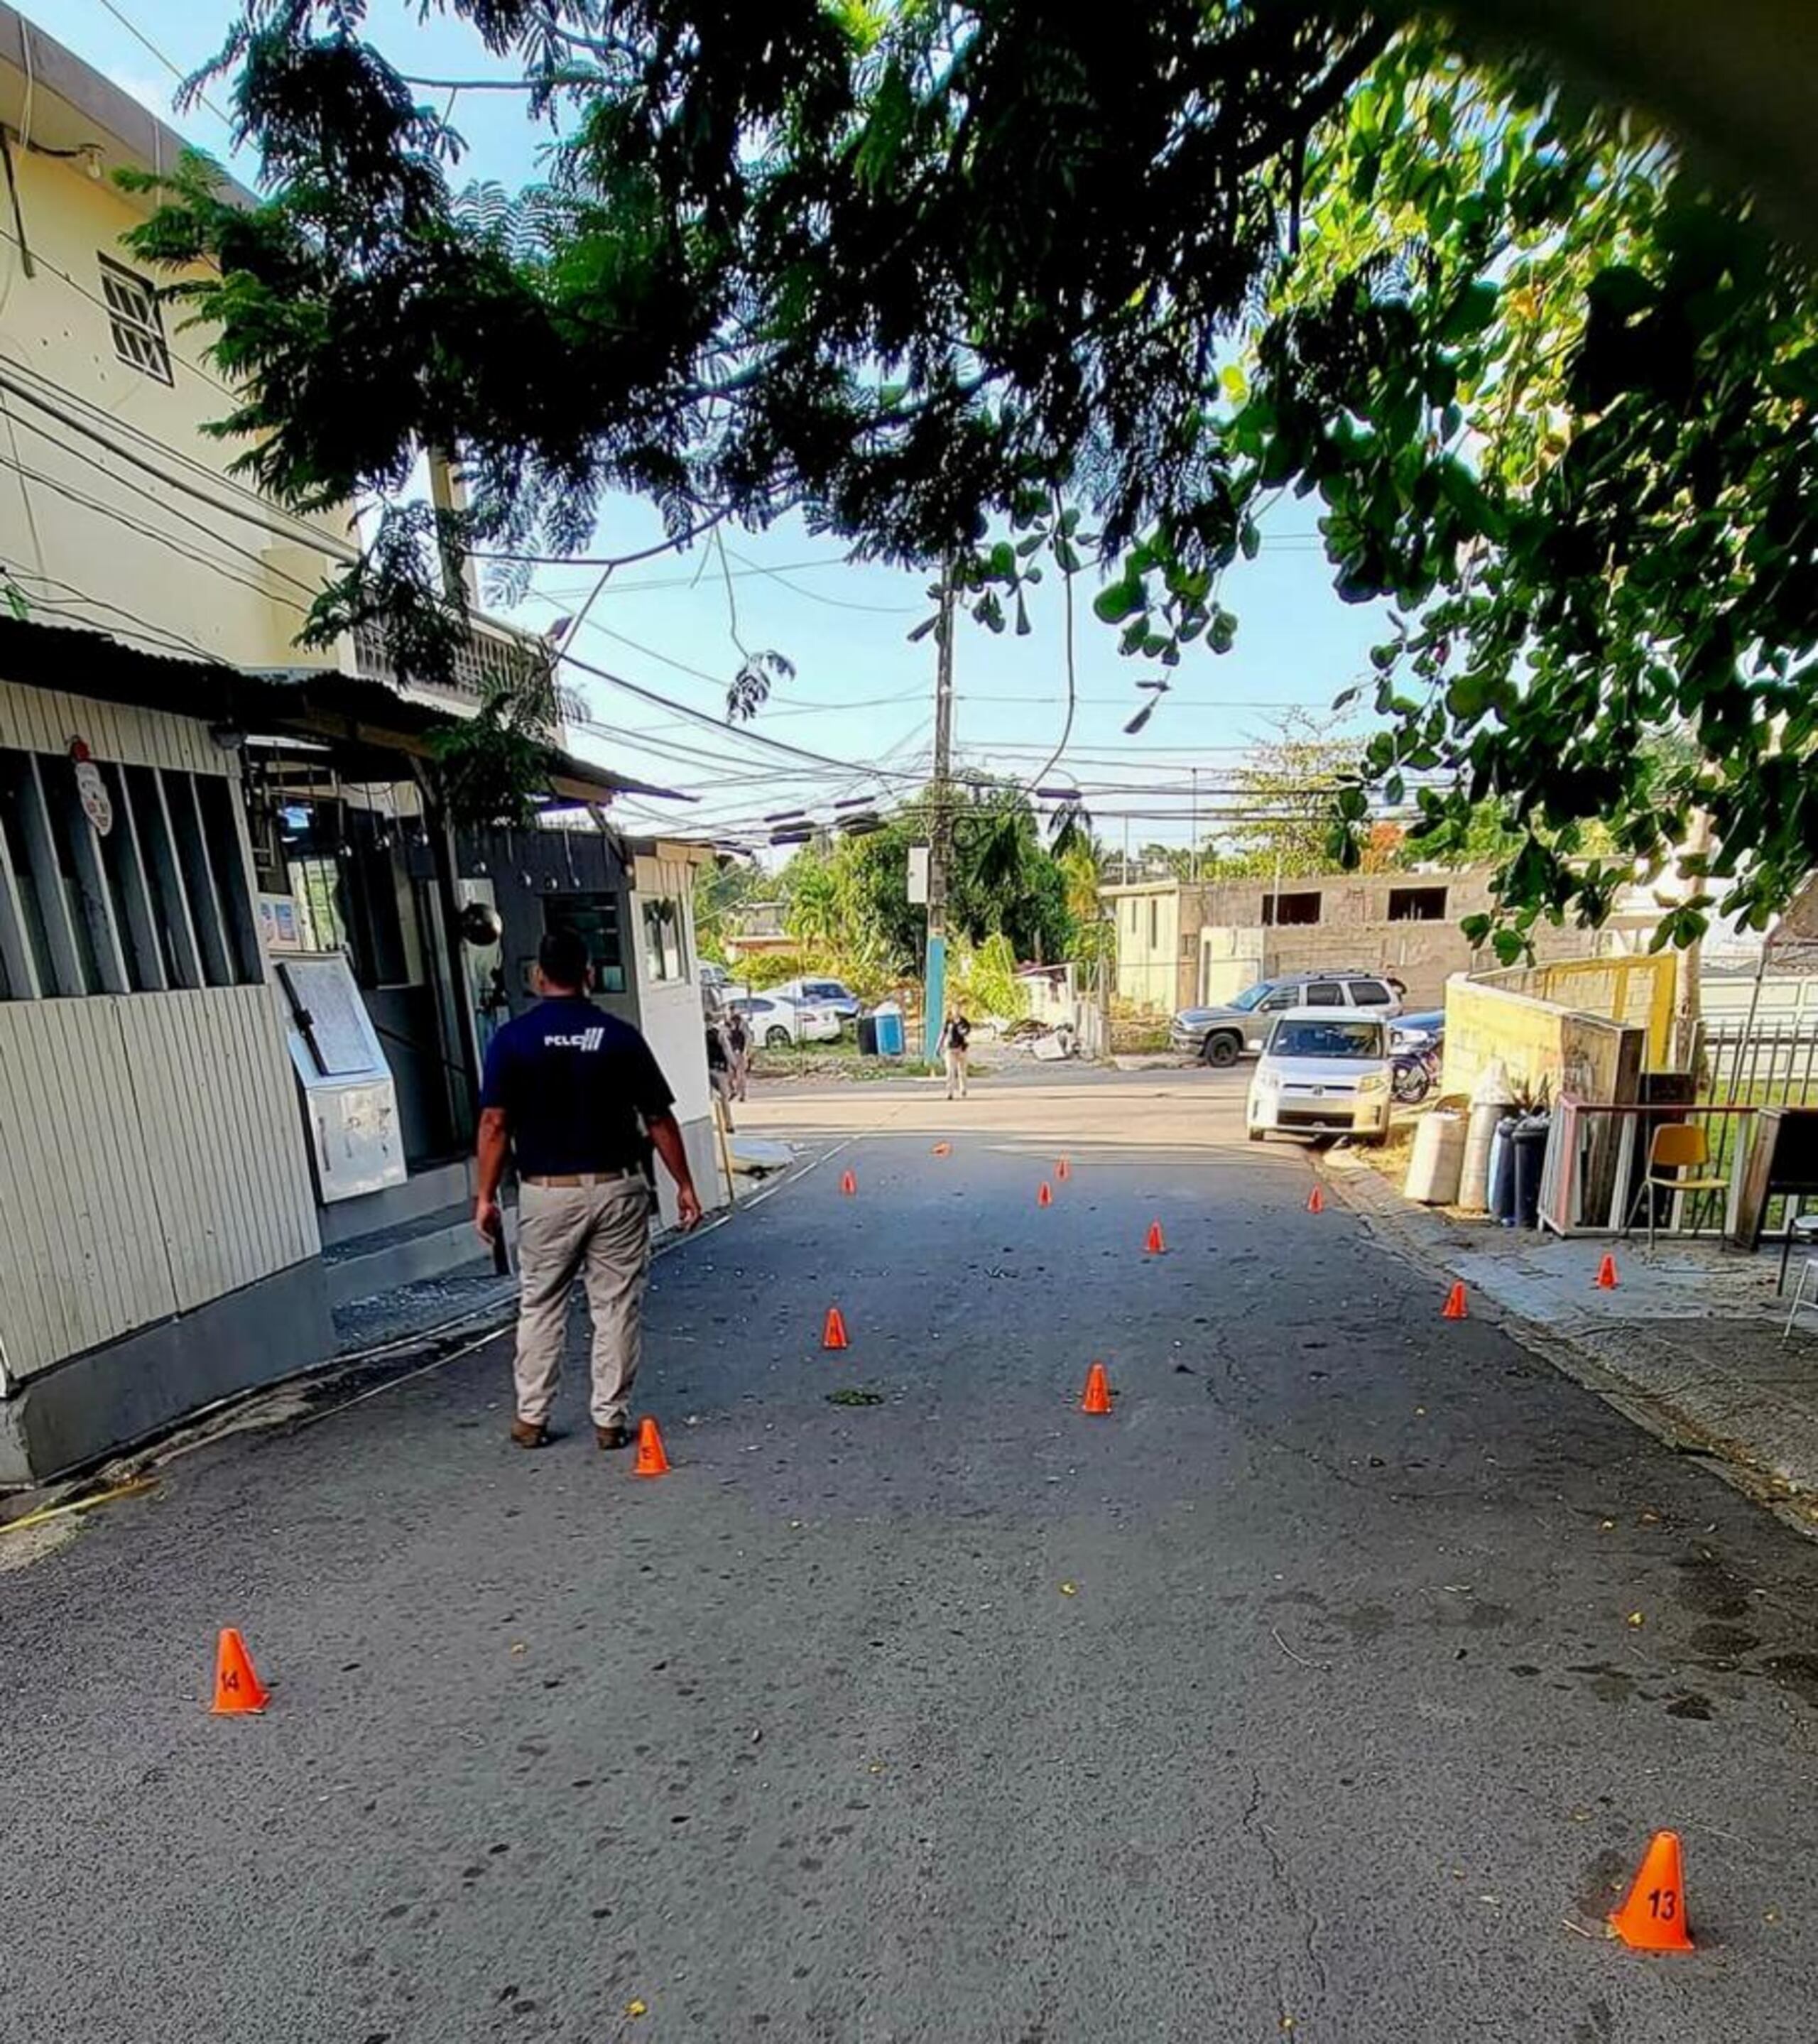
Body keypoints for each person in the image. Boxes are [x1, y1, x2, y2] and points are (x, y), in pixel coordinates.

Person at [474, 928, 703, 1452]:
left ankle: (531, 1417)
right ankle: (609, 1420)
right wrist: (684, 1185)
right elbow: (658, 1118)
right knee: (616, 1304)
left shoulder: (513, 1040)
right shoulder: (619, 1037)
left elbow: (494, 1123)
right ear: (589, 975)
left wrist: (485, 1196)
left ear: (538, 977)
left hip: (546, 1192)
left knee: (541, 1302)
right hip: (617, 1186)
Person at [705, 1018, 734, 1131]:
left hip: (707, 1069)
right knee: (724, 1098)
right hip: (720, 1070)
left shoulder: (703, 1033)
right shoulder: (721, 1034)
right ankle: (728, 1124)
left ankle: (714, 1122)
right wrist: (734, 1065)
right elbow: (728, 1052)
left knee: (710, 1097)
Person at [940, 1008, 972, 1100]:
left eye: (958, 1010)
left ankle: (963, 1089)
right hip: (950, 1049)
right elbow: (943, 1034)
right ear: (952, 1012)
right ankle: (950, 1092)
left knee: (962, 1071)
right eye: (955, 1010)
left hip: (962, 1050)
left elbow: (967, 1033)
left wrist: (964, 1032)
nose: (957, 1012)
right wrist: (939, 1047)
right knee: (950, 1071)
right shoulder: (948, 1022)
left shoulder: (964, 1022)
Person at [724, 1007, 751, 1103]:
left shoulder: (742, 1026)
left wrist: (745, 1052)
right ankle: (734, 1091)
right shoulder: (729, 1025)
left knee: (741, 1075)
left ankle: (742, 1094)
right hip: (731, 1053)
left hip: (740, 1052)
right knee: (730, 1075)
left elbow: (748, 1039)